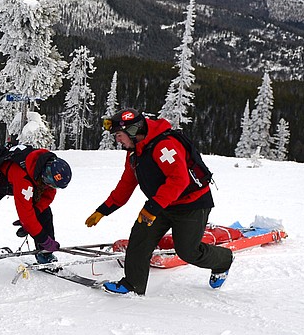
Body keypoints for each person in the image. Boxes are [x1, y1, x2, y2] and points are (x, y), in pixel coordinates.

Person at [85, 108, 232, 295]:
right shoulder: (134, 152)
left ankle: (223, 260)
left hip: (192, 204)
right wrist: (103, 210)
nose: (117, 140)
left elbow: (179, 180)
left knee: (187, 251)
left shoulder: (165, 146)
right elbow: (126, 185)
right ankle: (132, 285)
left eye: (119, 135)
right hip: (163, 203)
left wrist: (152, 208)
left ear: (133, 131)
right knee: (140, 237)